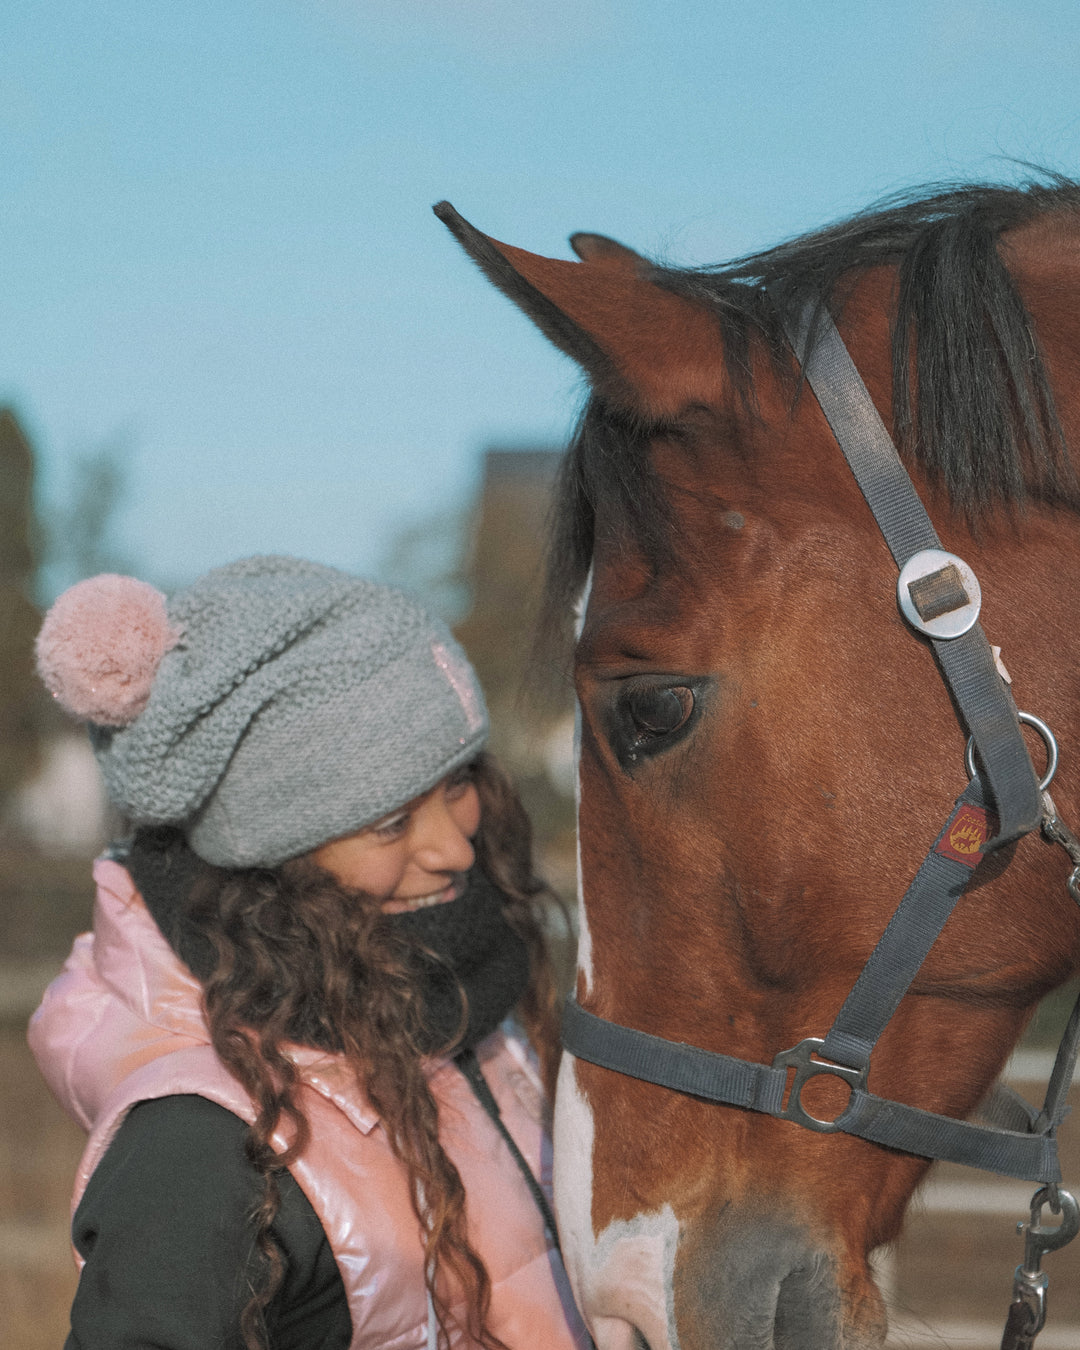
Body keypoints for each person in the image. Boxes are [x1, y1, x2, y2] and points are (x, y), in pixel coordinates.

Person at [28, 555, 589, 1350]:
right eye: (390, 824)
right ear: (277, 854)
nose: (455, 849)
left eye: (457, 781)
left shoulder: (459, 989)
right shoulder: (203, 1148)